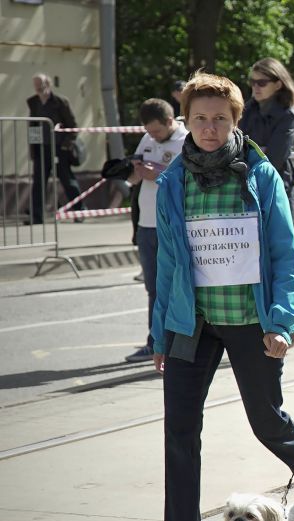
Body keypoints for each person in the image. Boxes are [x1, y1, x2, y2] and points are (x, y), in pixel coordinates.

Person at [145, 72, 294, 521]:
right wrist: (160, 333)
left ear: (235, 120)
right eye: (199, 118)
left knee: (268, 422)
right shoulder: (173, 180)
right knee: (179, 429)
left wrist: (282, 321)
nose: (209, 127)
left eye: (220, 118)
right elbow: (167, 267)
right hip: (189, 324)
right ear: (186, 122)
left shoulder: (260, 175)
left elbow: (286, 255)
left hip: (251, 321)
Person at [238, 58, 294, 342]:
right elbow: (238, 146)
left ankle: (291, 316)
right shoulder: (247, 110)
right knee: (251, 257)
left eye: (262, 83)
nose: (255, 88)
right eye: (252, 82)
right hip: (246, 190)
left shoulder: (287, 115)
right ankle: (291, 316)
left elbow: (275, 160)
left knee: (277, 257)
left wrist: (253, 153)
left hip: (277, 192)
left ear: (278, 83)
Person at [124, 99, 187, 363]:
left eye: (157, 131)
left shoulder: (186, 141)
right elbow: (132, 177)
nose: (153, 136)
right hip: (146, 224)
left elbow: (187, 179)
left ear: (170, 122)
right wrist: (134, 173)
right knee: (153, 288)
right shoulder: (147, 139)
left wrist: (158, 173)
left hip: (171, 225)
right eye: (149, 131)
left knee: (175, 287)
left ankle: (178, 343)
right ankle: (155, 342)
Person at [26, 73, 84, 223]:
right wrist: (33, 150)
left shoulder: (60, 102)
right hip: (41, 149)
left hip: (59, 148)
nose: (40, 90)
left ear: (48, 85)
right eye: (37, 87)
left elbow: (72, 126)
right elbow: (33, 127)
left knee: (68, 180)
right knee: (38, 183)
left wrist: (66, 145)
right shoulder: (33, 103)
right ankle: (36, 216)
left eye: (42, 86)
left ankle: (80, 211)